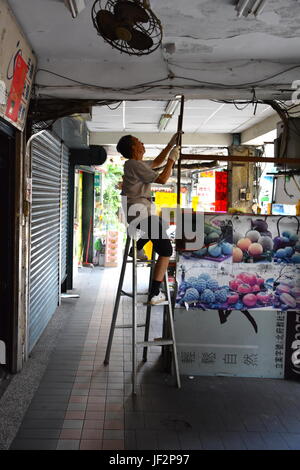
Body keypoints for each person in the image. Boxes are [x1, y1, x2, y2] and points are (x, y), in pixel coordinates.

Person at [117, 133, 181, 304]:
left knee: (162, 224)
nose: (142, 142)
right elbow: (162, 178)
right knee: (166, 250)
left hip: (139, 212)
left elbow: (156, 163)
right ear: (133, 148)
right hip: (140, 213)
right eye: (139, 141)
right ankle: (154, 293)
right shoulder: (133, 164)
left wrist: (169, 146)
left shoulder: (135, 164)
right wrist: (172, 160)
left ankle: (137, 247)